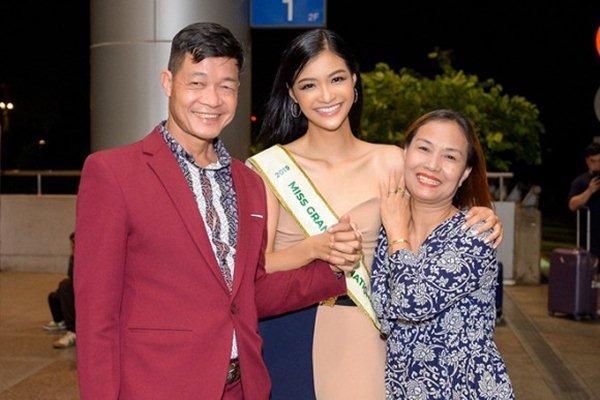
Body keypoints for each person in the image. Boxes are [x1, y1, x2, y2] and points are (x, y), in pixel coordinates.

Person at [74, 22, 358, 400]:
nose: (212, 99)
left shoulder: (249, 182)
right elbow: (96, 316)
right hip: (157, 387)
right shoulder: (114, 173)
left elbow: (250, 293)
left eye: (226, 86)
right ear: (168, 82)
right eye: (197, 83)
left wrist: (331, 269)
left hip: (242, 387)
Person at [250, 30, 504, 399]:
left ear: (354, 82)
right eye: (308, 85)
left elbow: (431, 222)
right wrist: (314, 248)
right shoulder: (268, 168)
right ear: (292, 94)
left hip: (370, 333)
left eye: (336, 79)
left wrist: (476, 214)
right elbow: (257, 267)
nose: (326, 96)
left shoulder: (392, 162)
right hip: (291, 330)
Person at [371, 109, 514, 399]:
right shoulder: (384, 228)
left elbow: (412, 303)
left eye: (450, 156)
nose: (433, 165)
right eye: (424, 149)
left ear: (465, 173)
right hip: (404, 387)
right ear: (405, 153)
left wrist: (397, 234)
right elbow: (383, 313)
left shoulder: (475, 233)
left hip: (463, 388)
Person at [43, 231, 76, 348]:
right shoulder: (75, 256)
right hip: (79, 289)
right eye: (72, 244)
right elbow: (71, 275)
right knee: (54, 297)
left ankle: (74, 331)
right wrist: (74, 257)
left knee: (65, 286)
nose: (73, 246)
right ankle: (61, 320)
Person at [568, 142, 600, 256]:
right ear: (587, 161)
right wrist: (589, 191)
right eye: (593, 161)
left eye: (599, 161)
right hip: (588, 239)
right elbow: (572, 205)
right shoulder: (580, 181)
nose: (597, 165)